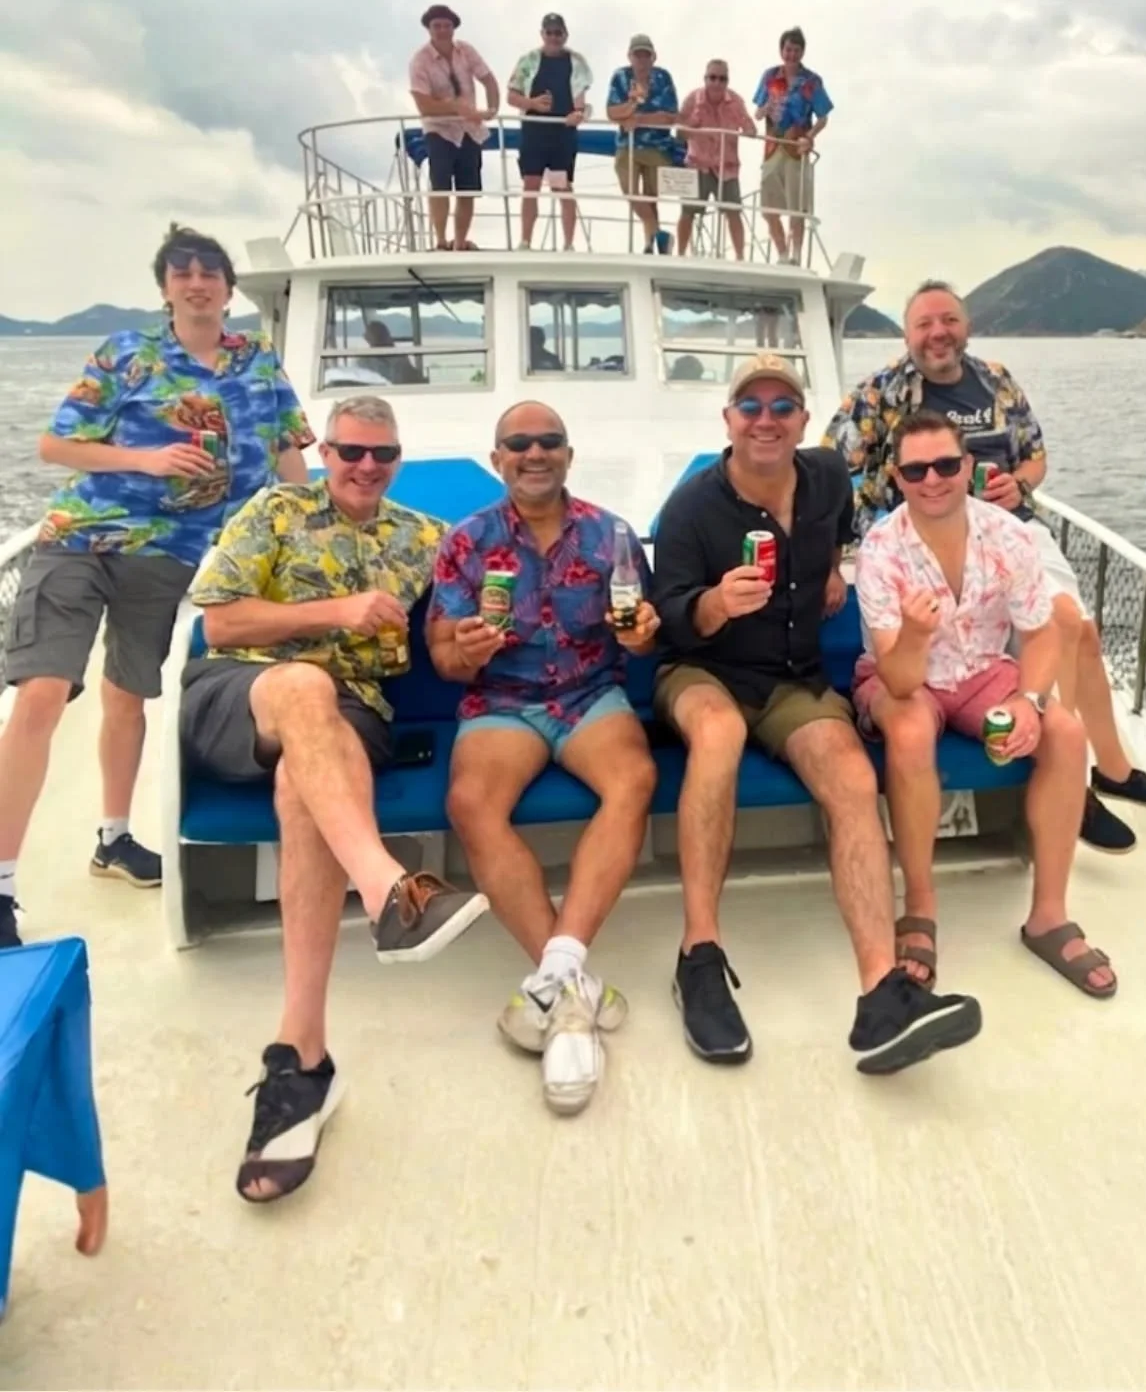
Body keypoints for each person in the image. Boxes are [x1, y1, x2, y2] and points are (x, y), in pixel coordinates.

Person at [181, 393, 485, 1201]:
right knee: (304, 685)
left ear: (398, 460)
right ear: (326, 453)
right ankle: (389, 888)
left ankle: (301, 1058)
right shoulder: (275, 509)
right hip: (241, 692)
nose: (366, 466)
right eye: (351, 451)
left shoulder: (423, 536)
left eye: (382, 454)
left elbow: (485, 581)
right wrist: (337, 611)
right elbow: (219, 624)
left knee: (301, 782)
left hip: (353, 716)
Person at [651, 352, 982, 1074]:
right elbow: (666, 622)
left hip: (793, 678)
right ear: (729, 420)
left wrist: (831, 567)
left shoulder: (828, 475)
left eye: (782, 407)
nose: (765, 420)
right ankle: (698, 956)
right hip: (704, 670)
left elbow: (837, 527)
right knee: (719, 733)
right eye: (751, 407)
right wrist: (715, 603)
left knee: (854, 780)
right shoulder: (691, 509)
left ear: (803, 420)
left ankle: (882, 995)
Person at [0, 226, 313, 950]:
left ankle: (113, 838)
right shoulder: (127, 353)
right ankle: (2, 882)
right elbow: (56, 445)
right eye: (183, 272)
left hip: (171, 555)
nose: (197, 282)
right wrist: (146, 459)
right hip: (84, 538)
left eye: (210, 272)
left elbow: (288, 448)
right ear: (166, 288)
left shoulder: (256, 357)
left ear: (228, 289)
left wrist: (304, 528)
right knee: (43, 693)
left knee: (128, 695)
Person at [825, 278, 1146, 854]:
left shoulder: (996, 381)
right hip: (921, 536)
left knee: (1080, 629)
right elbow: (830, 463)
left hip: (1009, 528)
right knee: (1055, 628)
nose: (938, 333)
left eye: (949, 320)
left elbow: (1035, 457)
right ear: (906, 334)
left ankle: (1114, 769)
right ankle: (1074, 783)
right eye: (924, 324)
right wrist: (834, 551)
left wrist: (1017, 485)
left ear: (966, 326)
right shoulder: (882, 393)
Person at [428, 401, 660, 1116]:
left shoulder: (611, 534)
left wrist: (642, 636)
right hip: (502, 700)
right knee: (470, 802)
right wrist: (465, 652)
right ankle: (569, 992)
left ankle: (553, 978)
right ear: (497, 458)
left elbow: (642, 633)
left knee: (634, 778)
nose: (535, 453)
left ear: (568, 454)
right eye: (519, 443)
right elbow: (442, 659)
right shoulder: (467, 541)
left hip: (589, 695)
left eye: (549, 441)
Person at [855, 411, 1115, 998]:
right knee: (910, 730)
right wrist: (916, 635)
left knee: (1066, 734)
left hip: (982, 670)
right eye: (916, 470)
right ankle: (920, 908)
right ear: (897, 477)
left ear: (968, 466)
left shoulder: (1008, 535)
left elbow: (1041, 634)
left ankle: (1048, 915)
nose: (932, 479)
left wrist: (1029, 699)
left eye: (946, 465)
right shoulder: (881, 550)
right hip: (903, 676)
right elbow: (898, 679)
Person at [407, 4, 500, 252]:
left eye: (447, 25)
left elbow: (488, 79)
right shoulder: (420, 60)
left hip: (469, 129)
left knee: (467, 188)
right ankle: (440, 241)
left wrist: (492, 109)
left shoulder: (466, 50)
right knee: (440, 185)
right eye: (436, 26)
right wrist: (455, 108)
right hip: (439, 129)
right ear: (428, 28)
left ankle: (459, 242)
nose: (442, 30)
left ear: (453, 28)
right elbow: (424, 106)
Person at [507, 14, 593, 251]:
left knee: (562, 186)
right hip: (533, 131)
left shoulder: (576, 62)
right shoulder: (528, 60)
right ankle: (525, 241)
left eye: (558, 33)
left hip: (562, 132)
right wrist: (532, 103)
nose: (554, 37)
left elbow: (580, 102)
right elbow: (511, 96)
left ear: (565, 35)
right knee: (531, 184)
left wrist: (578, 114)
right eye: (550, 32)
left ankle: (568, 244)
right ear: (542, 34)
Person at [753, 27, 832, 264]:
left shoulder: (812, 81)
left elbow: (823, 117)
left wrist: (810, 136)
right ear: (781, 50)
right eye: (788, 49)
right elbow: (758, 113)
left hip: (796, 149)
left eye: (796, 50)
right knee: (768, 207)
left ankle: (796, 253)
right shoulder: (769, 76)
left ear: (802, 52)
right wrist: (764, 110)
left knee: (796, 206)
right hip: (772, 146)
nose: (791, 54)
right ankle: (782, 253)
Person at [605, 34, 679, 254]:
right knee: (630, 192)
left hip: (658, 146)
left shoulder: (663, 77)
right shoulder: (620, 77)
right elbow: (612, 112)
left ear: (653, 57)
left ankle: (650, 243)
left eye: (646, 55)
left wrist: (637, 119)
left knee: (650, 198)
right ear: (630, 56)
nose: (642, 59)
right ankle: (659, 234)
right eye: (638, 55)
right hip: (627, 145)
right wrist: (632, 104)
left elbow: (671, 116)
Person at [675, 59, 755, 260]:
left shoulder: (736, 102)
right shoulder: (692, 100)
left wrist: (749, 129)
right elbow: (679, 134)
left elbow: (750, 128)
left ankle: (740, 258)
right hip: (697, 164)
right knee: (687, 211)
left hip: (727, 167)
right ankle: (680, 255)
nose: (717, 83)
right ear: (705, 79)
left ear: (727, 81)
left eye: (722, 79)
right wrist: (691, 124)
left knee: (734, 211)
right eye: (712, 78)